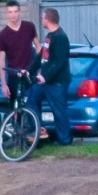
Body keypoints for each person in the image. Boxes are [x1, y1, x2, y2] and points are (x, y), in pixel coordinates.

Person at [31, 8, 72, 147]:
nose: (42, 20)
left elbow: (59, 62)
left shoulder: (61, 37)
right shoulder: (50, 36)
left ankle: (64, 142)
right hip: (45, 82)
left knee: (59, 112)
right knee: (31, 99)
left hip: (57, 83)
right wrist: (27, 70)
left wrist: (45, 76)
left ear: (47, 20)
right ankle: (40, 129)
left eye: (43, 18)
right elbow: (41, 57)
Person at [0, 1, 38, 104]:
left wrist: (40, 69)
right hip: (14, 76)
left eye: (15, 11)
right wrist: (3, 84)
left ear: (19, 12)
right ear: (7, 14)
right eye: (10, 12)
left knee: (33, 108)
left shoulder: (29, 26)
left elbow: (38, 47)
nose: (13, 15)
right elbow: (1, 61)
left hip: (30, 74)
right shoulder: (3, 35)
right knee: (15, 110)